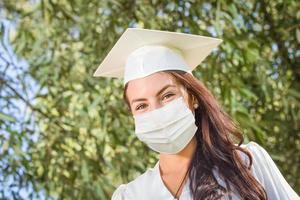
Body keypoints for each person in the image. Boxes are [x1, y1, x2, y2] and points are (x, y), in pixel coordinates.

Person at [93, 28, 299, 200]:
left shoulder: (247, 164)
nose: (156, 112)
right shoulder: (131, 195)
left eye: (167, 96)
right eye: (141, 106)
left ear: (193, 97)